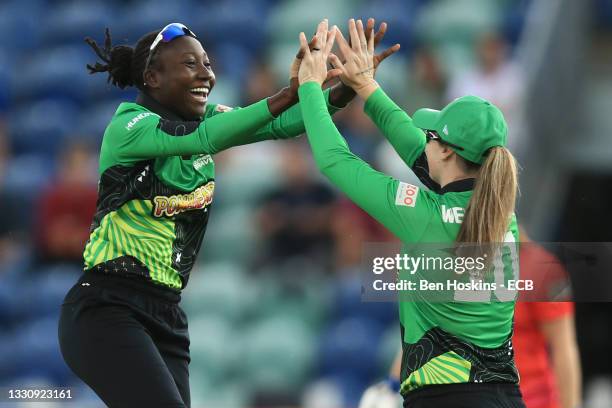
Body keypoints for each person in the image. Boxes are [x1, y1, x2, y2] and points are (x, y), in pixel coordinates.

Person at [57, 21, 398, 408]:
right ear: (152, 77)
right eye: (192, 65)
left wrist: (350, 86)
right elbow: (206, 139)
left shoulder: (203, 117)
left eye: (207, 64)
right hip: (107, 308)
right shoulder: (128, 126)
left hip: (166, 314)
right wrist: (289, 92)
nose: (208, 75)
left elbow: (284, 124)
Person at [297, 18, 524, 408]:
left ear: (449, 152)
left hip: (446, 400)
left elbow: (334, 160)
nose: (425, 142)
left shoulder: (424, 215)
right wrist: (366, 86)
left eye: (433, 136)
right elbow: (423, 155)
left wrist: (309, 88)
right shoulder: (500, 210)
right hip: (504, 397)